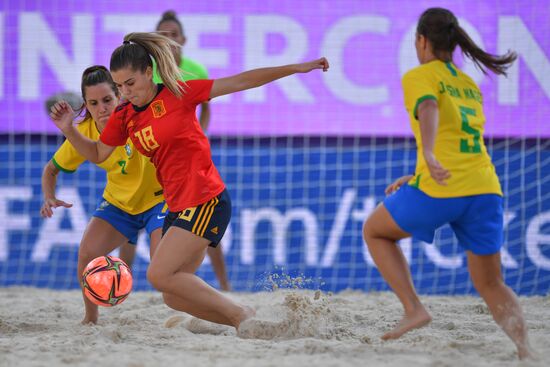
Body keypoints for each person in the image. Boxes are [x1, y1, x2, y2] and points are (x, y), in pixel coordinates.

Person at [49, 31, 329, 330]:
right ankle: (241, 318)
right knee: (173, 294)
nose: (125, 92)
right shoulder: (124, 116)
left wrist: (296, 68)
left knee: (158, 275)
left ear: (148, 71)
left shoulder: (178, 93)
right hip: (179, 205)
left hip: (205, 197)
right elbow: (97, 153)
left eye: (130, 83)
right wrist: (69, 129)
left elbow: (241, 80)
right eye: (119, 86)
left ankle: (241, 316)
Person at [362, 7, 534, 359]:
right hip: (485, 187)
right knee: (491, 282)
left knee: (375, 230)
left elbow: (428, 109)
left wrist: (429, 157)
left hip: (442, 187)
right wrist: (420, 170)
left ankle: (414, 309)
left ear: (422, 41)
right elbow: (459, 138)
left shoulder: (419, 76)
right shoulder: (468, 84)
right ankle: (526, 349)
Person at [42, 65, 166, 325]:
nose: (102, 108)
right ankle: (90, 319)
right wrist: (49, 196)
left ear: (120, 95)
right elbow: (51, 170)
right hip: (119, 205)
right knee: (87, 255)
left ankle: (194, 309)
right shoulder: (84, 130)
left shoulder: (140, 115)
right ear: (86, 104)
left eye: (108, 100)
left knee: (163, 270)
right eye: (94, 103)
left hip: (159, 200)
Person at [155, 10, 230, 291]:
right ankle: (159, 283)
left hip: (188, 159)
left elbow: (206, 107)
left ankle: (224, 285)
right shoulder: (144, 72)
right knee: (138, 215)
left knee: (205, 222)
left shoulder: (195, 70)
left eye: (173, 34)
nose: (168, 39)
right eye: (162, 35)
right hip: (156, 157)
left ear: (183, 39)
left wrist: (201, 133)